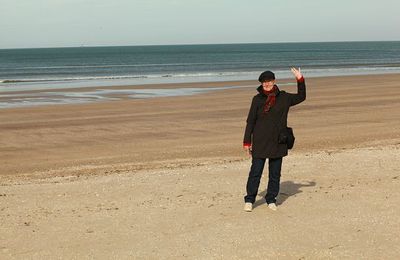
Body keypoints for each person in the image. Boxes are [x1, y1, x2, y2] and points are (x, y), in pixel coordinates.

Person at [243, 68, 306, 212]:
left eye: (269, 81)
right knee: (255, 172)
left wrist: (300, 78)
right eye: (264, 82)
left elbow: (302, 96)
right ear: (261, 84)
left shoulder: (284, 98)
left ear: (274, 81)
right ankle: (249, 199)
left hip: (278, 141)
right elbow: (250, 122)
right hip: (260, 141)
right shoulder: (257, 99)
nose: (267, 84)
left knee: (275, 173)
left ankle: (271, 199)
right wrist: (247, 141)